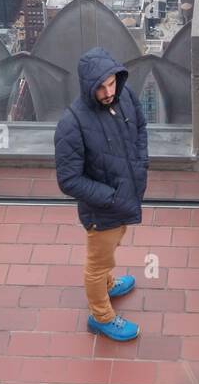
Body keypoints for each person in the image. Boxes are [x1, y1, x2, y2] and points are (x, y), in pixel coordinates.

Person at [54, 47, 148, 343]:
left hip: (124, 197)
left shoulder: (125, 96)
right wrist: (110, 197)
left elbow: (141, 128)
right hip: (103, 208)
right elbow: (68, 180)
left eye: (112, 83)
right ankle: (101, 316)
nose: (109, 91)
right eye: (101, 87)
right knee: (96, 264)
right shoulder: (72, 124)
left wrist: (141, 163)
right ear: (88, 88)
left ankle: (108, 283)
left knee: (110, 249)